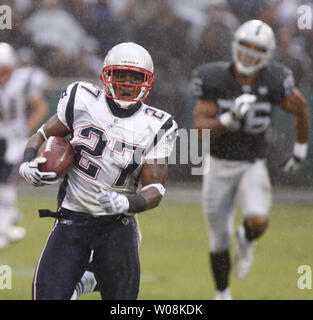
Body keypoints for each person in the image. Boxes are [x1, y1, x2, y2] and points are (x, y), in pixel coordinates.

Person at [19, 42, 178, 300]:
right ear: (106, 75)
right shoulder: (81, 99)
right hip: (72, 218)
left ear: (148, 81)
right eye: (121, 75)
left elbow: (155, 190)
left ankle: (89, 277)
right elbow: (41, 135)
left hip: (117, 226)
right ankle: (88, 276)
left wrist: (126, 201)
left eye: (135, 77)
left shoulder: (158, 124)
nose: (127, 83)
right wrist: (28, 163)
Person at [191, 20, 310, 300]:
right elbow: (199, 129)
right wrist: (228, 118)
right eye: (245, 47)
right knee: (219, 238)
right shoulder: (215, 78)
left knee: (258, 220)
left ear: (267, 55)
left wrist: (300, 150)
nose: (249, 55)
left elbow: (301, 108)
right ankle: (222, 294)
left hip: (252, 163)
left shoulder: (273, 79)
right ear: (235, 46)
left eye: (257, 50)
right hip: (218, 164)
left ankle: (245, 239)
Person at [0, 42, 49, 249]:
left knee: (6, 180)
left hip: (15, 138)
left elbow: (41, 107)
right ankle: (9, 216)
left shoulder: (24, 80)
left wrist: (26, 129)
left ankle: (4, 226)